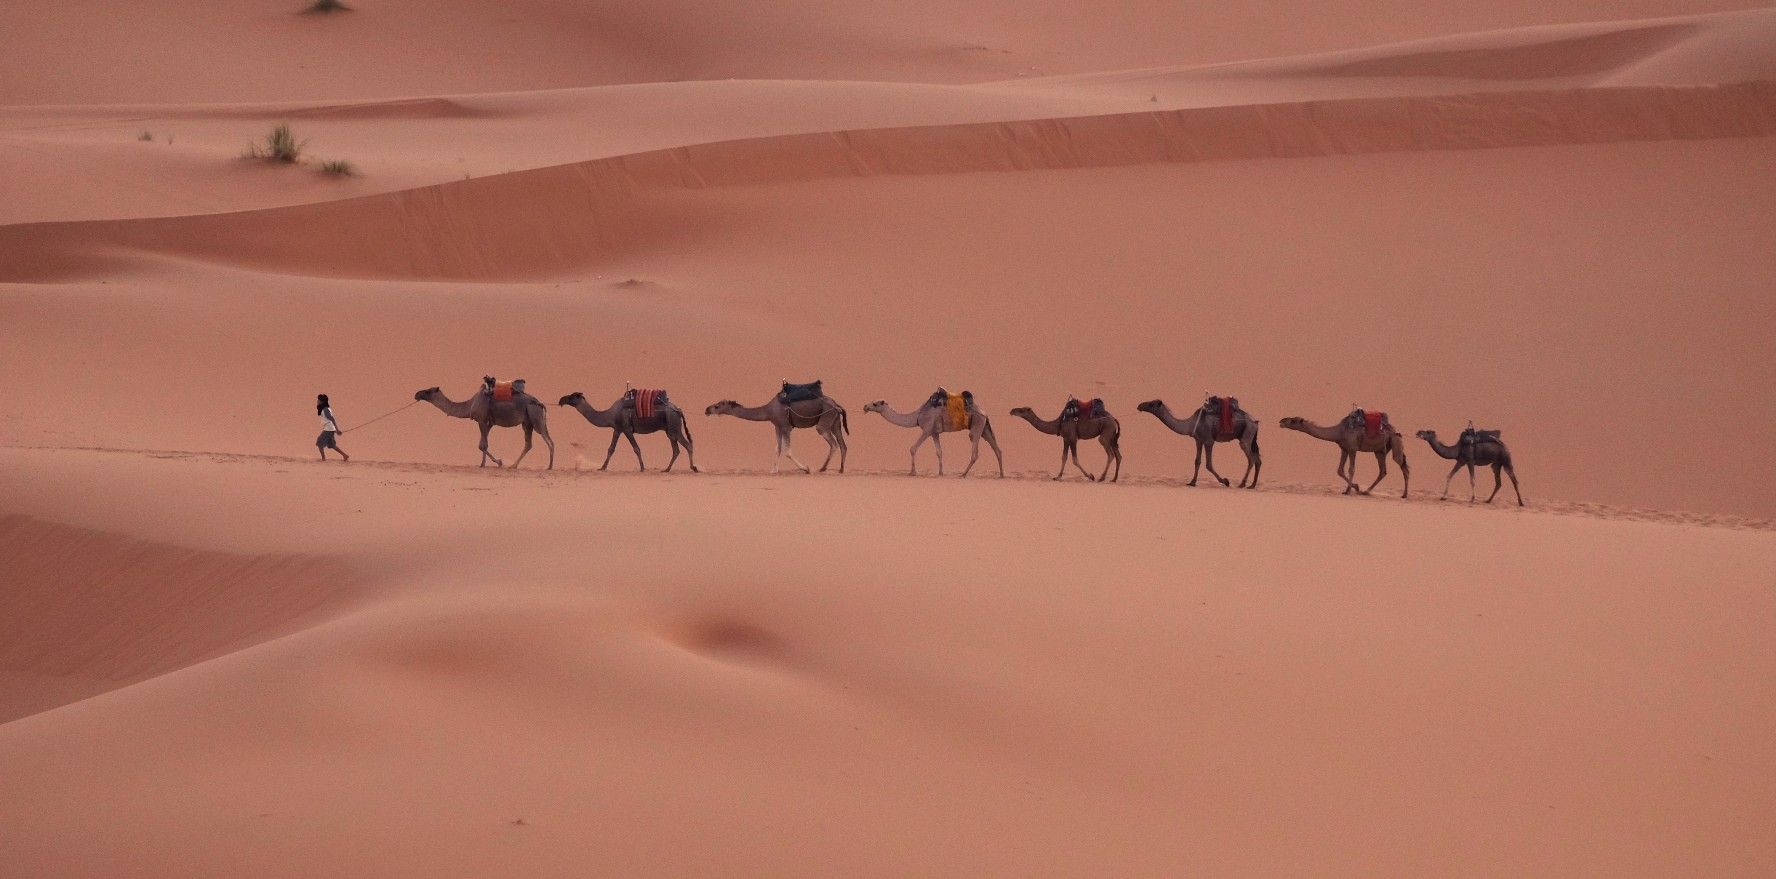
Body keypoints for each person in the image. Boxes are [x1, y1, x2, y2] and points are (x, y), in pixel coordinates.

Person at [316, 394, 349, 461]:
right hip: (329, 428)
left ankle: (323, 459)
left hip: (328, 429)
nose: (317, 401)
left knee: (319, 443)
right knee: (331, 444)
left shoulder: (325, 409)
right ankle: (345, 455)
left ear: (322, 401)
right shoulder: (324, 409)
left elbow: (332, 418)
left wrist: (337, 429)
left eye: (319, 400)